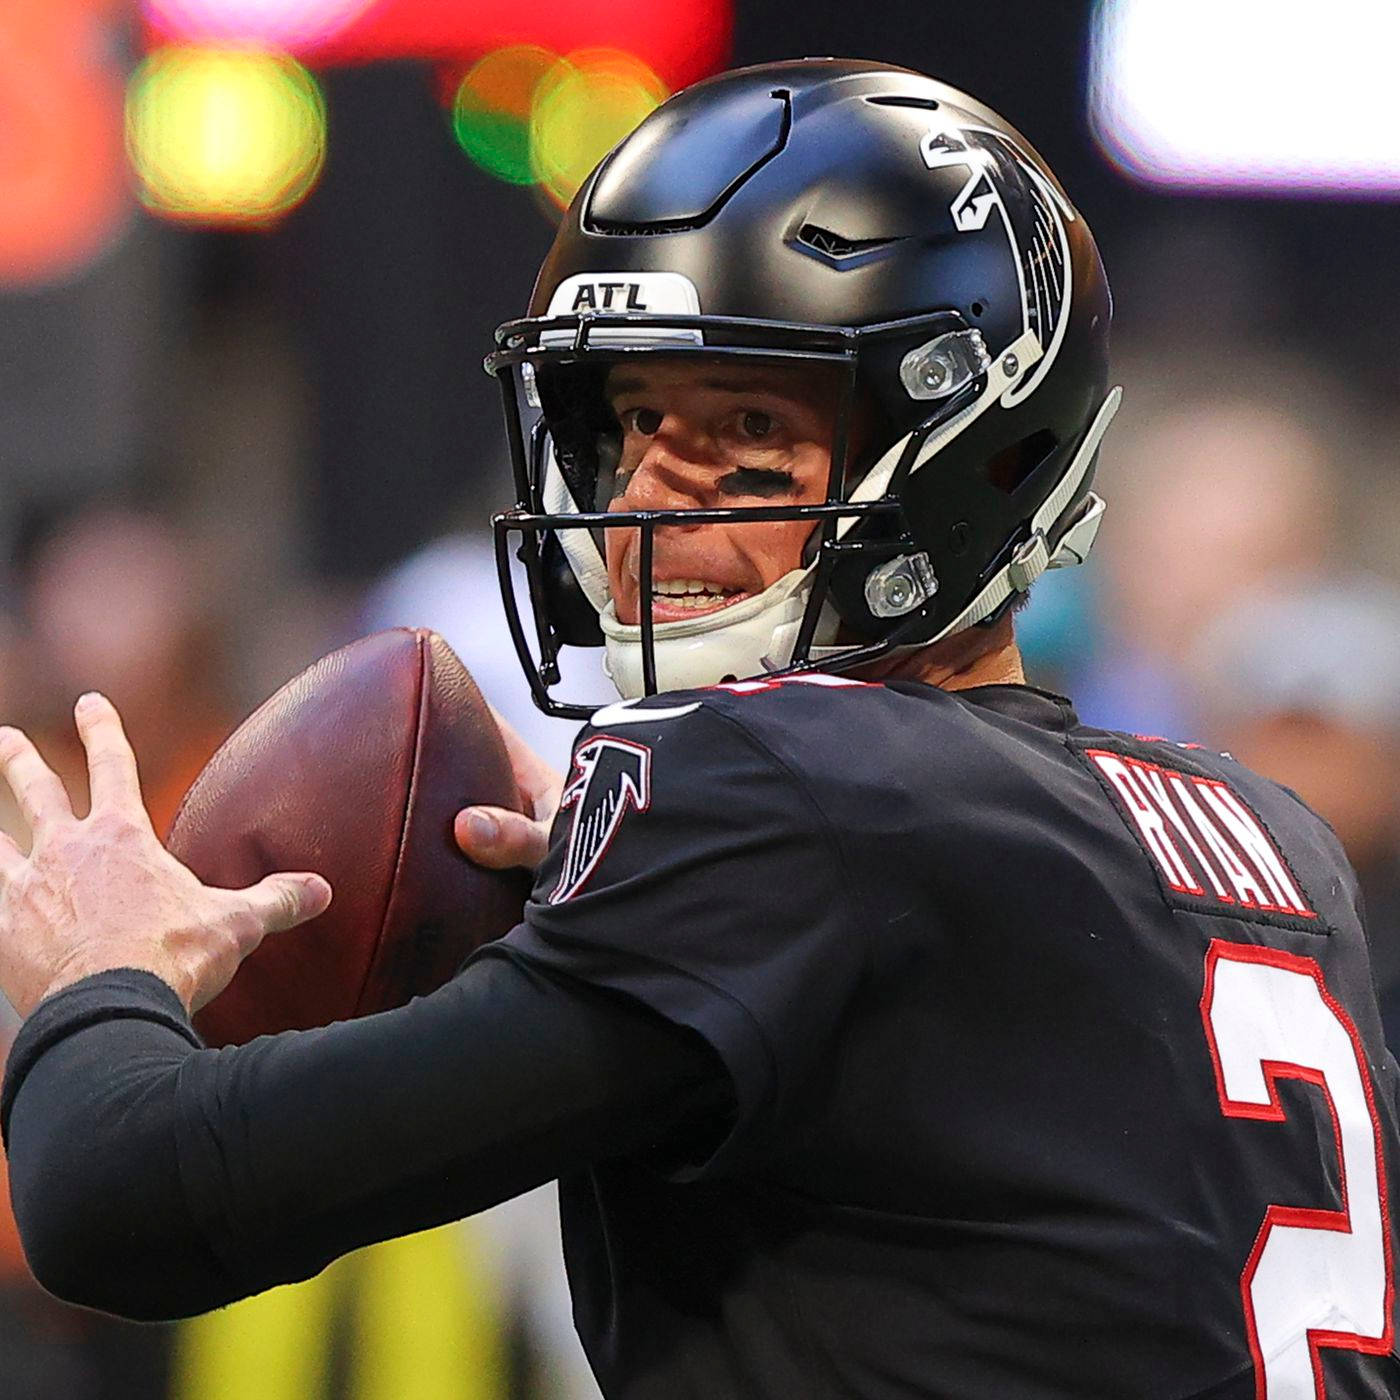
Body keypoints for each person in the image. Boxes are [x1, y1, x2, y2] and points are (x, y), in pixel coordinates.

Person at [1, 59, 1398, 1400]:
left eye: (747, 434)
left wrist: (101, 974)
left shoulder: (792, 785)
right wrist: (665, 908)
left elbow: (130, 1201)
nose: (650, 505)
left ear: (983, 453)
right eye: (626, 426)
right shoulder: (1262, 831)